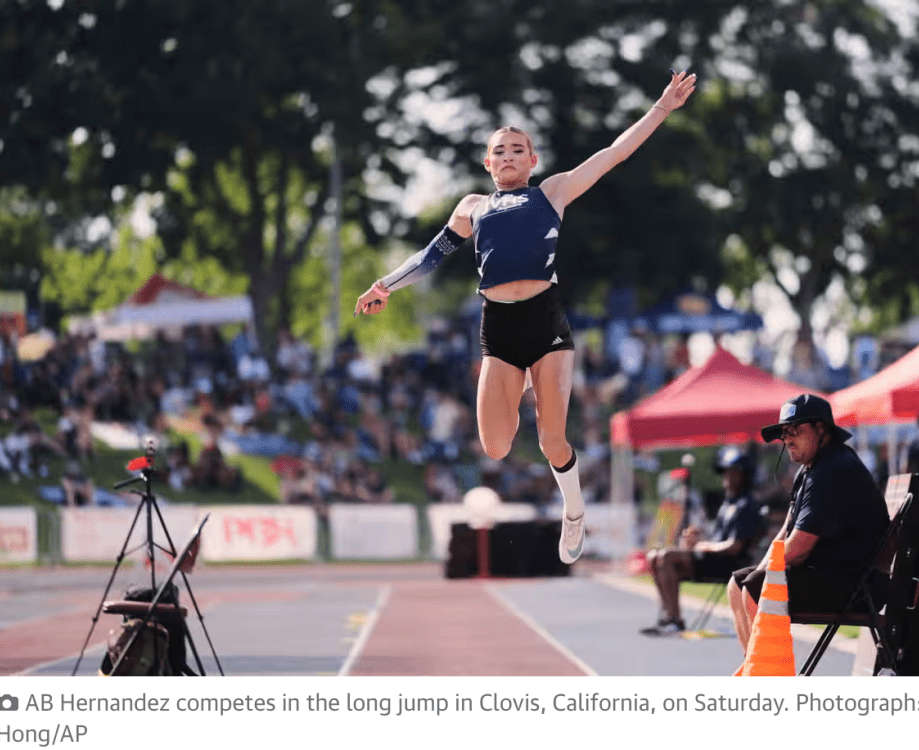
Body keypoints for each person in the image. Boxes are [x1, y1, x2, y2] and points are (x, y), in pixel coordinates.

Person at [356, 70, 697, 563]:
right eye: (500, 150)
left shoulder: (552, 192)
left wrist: (661, 108)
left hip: (545, 322)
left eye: (518, 149)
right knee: (495, 445)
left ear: (532, 160)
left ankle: (573, 510)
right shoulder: (472, 207)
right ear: (487, 162)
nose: (509, 156)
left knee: (551, 438)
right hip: (498, 328)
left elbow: (614, 154)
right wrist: (385, 285)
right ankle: (515, 392)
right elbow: (431, 256)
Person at [727, 394, 889, 653]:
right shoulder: (812, 468)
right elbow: (785, 533)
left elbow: (798, 548)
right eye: (784, 433)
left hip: (856, 584)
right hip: (833, 576)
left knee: (756, 587)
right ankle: (754, 669)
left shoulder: (833, 468)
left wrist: (762, 573)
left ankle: (769, 673)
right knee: (737, 585)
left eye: (795, 430)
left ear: (821, 429)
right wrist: (761, 568)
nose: (787, 439)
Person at [640, 446, 763, 635]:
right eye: (725, 472)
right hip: (711, 559)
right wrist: (697, 539)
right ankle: (668, 615)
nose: (726, 477)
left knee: (667, 557)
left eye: (732, 473)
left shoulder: (746, 505)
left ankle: (675, 619)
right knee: (653, 557)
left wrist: (704, 546)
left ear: (744, 476)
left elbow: (735, 547)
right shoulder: (728, 503)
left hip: (728, 564)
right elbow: (716, 538)